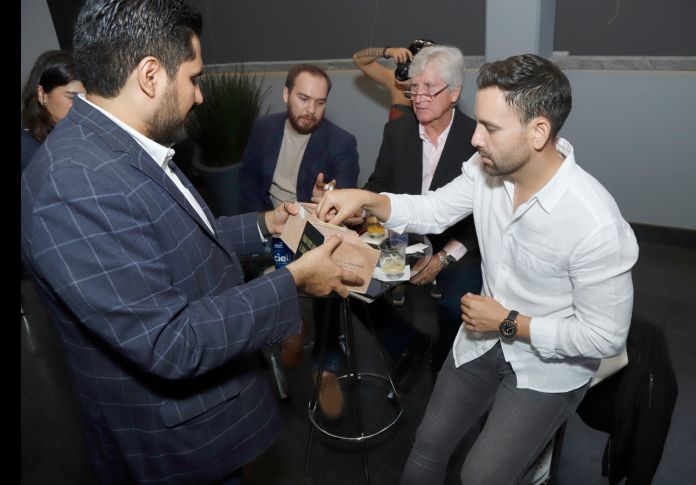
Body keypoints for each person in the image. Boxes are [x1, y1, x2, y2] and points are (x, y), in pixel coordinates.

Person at [20, 1, 362, 483]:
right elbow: (169, 341)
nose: (199, 96)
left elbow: (182, 237)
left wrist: (267, 223)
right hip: (174, 450)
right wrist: (294, 282)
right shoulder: (75, 186)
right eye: (195, 78)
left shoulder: (121, 144)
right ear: (151, 76)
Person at [317, 53, 639, 484]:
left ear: (538, 131)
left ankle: (533, 456)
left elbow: (604, 336)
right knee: (428, 447)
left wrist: (509, 322)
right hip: (480, 340)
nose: (474, 139)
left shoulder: (595, 223)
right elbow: (433, 211)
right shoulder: (486, 171)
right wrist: (368, 199)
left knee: (480, 475)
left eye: (489, 127)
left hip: (548, 367)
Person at [239, 63, 360, 420]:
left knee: (329, 271)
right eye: (304, 98)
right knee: (243, 271)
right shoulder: (264, 129)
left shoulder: (341, 142)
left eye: (320, 102)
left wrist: (324, 205)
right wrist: (260, 224)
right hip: (271, 226)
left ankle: (325, 361)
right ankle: (290, 326)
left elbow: (349, 212)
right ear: (286, 94)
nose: (311, 110)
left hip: (313, 232)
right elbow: (247, 181)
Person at [361, 45, 482, 388]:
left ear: (455, 93)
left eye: (430, 88)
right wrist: (363, 213)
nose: (419, 96)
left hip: (456, 245)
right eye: (415, 87)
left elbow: (485, 216)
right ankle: (409, 342)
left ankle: (442, 369)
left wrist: (443, 258)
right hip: (402, 236)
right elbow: (378, 183)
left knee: (456, 309)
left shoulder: (477, 140)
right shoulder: (397, 131)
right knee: (357, 286)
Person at [21, 50, 85, 172]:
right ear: (42, 94)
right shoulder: (26, 149)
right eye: (72, 97)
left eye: (84, 98)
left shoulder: (72, 130)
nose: (80, 105)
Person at [351, 39, 434, 120]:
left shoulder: (439, 90)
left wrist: (415, 85)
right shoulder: (396, 83)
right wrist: (388, 51)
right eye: (409, 63)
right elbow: (358, 59)